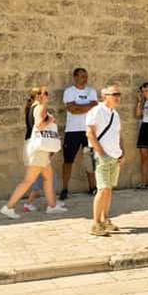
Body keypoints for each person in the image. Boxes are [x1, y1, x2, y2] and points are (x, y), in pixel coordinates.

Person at [0, 87, 68, 219]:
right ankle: (8, 207)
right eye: (43, 93)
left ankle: (52, 206)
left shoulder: (31, 108)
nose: (46, 95)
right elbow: (38, 125)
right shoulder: (40, 107)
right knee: (28, 181)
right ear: (38, 96)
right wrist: (50, 120)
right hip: (38, 149)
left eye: (47, 93)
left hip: (34, 147)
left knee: (48, 176)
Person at [86, 85, 124, 236]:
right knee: (102, 189)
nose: (117, 96)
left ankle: (105, 219)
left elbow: (119, 135)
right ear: (104, 96)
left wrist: (122, 152)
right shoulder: (96, 111)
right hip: (102, 156)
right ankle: (95, 224)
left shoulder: (115, 114)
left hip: (114, 156)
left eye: (118, 93)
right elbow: (90, 133)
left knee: (108, 190)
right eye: (114, 94)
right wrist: (101, 153)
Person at [61, 68, 99, 199]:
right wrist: (87, 106)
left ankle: (92, 187)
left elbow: (95, 107)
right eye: (82, 76)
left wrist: (79, 106)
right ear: (75, 77)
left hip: (88, 130)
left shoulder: (92, 91)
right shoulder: (69, 92)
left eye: (86, 76)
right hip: (72, 131)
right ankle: (65, 189)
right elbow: (72, 110)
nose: (85, 78)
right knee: (68, 161)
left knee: (89, 159)